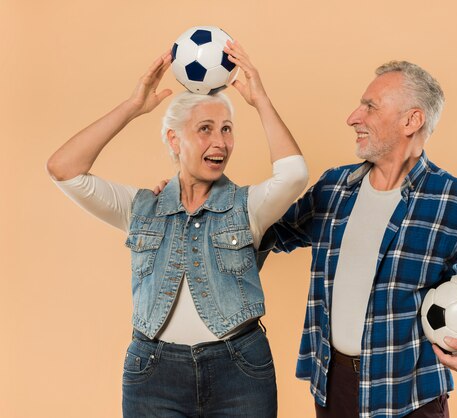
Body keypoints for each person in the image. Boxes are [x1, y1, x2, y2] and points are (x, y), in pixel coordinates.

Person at [261, 61, 457, 417]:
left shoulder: (455, 203)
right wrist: (191, 191)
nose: (353, 117)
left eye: (370, 107)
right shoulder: (334, 188)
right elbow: (267, 229)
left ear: (411, 121)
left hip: (409, 400)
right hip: (333, 390)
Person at [46, 40, 308, 417]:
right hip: (154, 375)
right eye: (205, 129)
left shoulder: (248, 206)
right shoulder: (141, 208)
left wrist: (261, 100)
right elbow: (63, 169)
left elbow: (294, 173)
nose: (220, 142)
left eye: (227, 129)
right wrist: (133, 106)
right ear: (174, 139)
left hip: (240, 371)